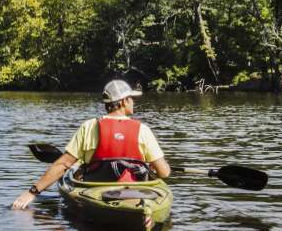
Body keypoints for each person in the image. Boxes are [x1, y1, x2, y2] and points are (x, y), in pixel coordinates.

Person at [11, 79, 170, 209]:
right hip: (135, 194)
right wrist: (150, 166)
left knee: (78, 169)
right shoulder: (143, 130)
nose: (133, 102)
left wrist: (32, 192)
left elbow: (63, 164)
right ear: (123, 101)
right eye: (131, 99)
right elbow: (164, 173)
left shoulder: (89, 127)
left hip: (95, 191)